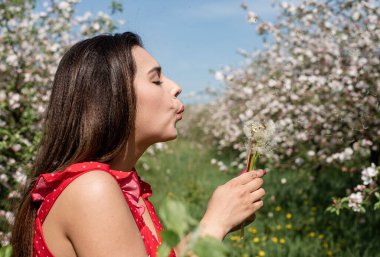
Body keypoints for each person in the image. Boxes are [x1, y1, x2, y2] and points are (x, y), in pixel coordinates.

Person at [11, 32, 266, 257]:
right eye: (156, 81)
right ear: (111, 98)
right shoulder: (91, 189)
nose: (176, 87)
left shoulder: (125, 186)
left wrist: (221, 218)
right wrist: (215, 224)